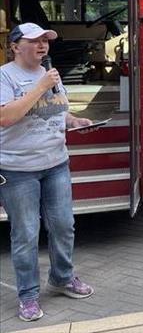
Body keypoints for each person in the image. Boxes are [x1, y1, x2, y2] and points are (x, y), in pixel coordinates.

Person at [0, 23, 94, 323]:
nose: (43, 46)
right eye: (35, 41)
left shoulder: (49, 74)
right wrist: (40, 87)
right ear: (16, 46)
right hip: (18, 170)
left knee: (64, 225)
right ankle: (28, 295)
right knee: (26, 234)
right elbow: (6, 117)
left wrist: (74, 121)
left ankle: (62, 277)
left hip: (56, 164)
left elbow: (57, 110)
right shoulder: (5, 76)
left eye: (45, 41)